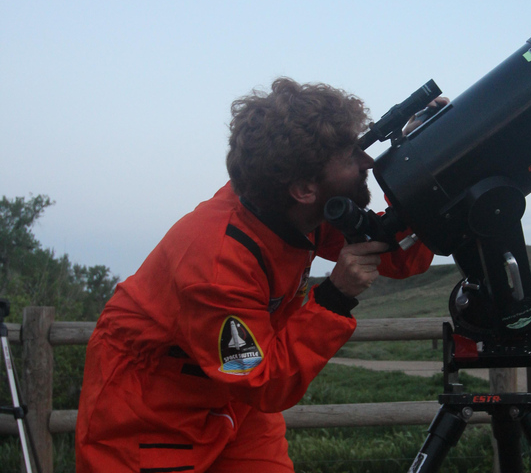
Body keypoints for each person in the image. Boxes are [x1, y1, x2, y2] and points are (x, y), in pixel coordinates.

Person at [75, 78, 438, 472]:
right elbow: (261, 380)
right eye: (351, 157)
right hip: (147, 404)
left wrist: (431, 161)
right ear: (303, 188)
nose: (367, 162)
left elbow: (396, 256)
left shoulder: (297, 209)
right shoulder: (216, 261)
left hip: (233, 395)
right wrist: (335, 296)